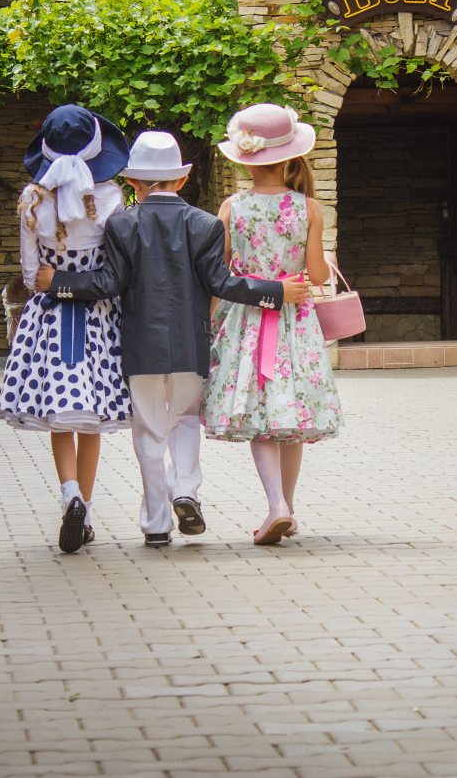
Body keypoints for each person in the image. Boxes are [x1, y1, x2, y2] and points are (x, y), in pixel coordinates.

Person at [36, 132, 311, 548]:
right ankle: (185, 490)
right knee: (184, 420)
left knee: (149, 432)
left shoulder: (121, 225)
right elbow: (222, 283)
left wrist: (58, 283)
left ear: (133, 182)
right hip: (190, 342)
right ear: (182, 180)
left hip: (140, 345)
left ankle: (156, 524)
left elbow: (108, 283)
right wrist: (276, 292)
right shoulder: (205, 224)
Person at [203, 103, 343, 546]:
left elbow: (219, 272)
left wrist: (209, 322)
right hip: (294, 322)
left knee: (256, 411)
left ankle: (276, 504)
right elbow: (316, 275)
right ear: (289, 157)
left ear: (245, 160)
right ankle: (288, 507)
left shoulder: (233, 206)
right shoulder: (308, 208)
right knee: (289, 412)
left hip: (246, 319)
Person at [0, 105, 132, 554]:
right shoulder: (110, 197)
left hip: (50, 317)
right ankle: (86, 511)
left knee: (60, 409)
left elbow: (31, 274)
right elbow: (115, 265)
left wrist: (53, 275)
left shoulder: (33, 199)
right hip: (98, 314)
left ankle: (69, 493)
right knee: (91, 415)